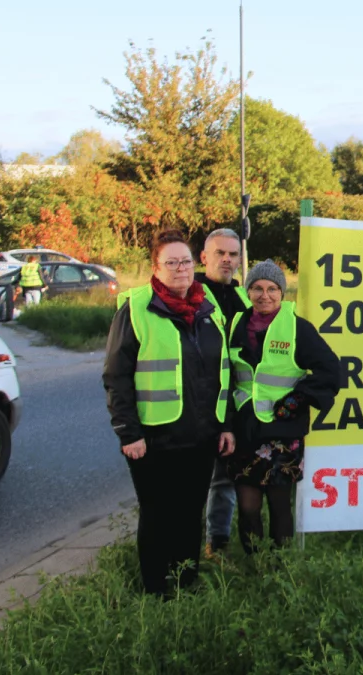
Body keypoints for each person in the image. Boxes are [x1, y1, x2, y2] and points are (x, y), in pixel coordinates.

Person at [103, 229, 235, 597]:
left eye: (186, 261)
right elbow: (116, 376)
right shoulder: (136, 308)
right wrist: (128, 433)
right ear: (156, 267)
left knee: (191, 513)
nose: (181, 269)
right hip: (154, 438)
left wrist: (224, 425)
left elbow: (220, 372)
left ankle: (186, 582)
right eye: (172, 262)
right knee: (158, 513)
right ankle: (156, 590)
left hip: (202, 434)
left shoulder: (207, 305)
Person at [228, 260, 340, 554]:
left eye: (272, 289)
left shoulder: (297, 329)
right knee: (248, 507)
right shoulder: (234, 326)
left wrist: (297, 400)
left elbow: (332, 371)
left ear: (282, 293)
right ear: (248, 291)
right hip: (245, 432)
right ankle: (256, 569)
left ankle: (282, 570)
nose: (264, 295)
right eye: (257, 288)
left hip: (282, 433)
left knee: (279, 507)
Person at [195, 228, 249, 558]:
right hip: (200, 404)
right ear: (204, 257)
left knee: (225, 478)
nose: (227, 259)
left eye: (233, 254)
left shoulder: (243, 297)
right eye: (220, 253)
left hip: (234, 402)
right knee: (195, 480)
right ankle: (183, 547)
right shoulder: (194, 296)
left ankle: (217, 543)